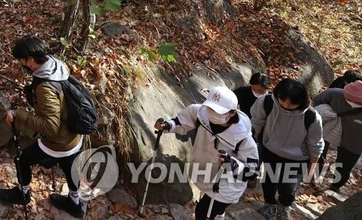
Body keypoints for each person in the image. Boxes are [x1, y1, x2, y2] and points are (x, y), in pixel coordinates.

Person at [0, 35, 85, 219]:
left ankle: (22, 193)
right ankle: (75, 203)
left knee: (22, 160)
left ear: (31, 59)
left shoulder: (44, 87)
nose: (21, 63)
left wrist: (19, 115)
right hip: (75, 135)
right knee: (69, 165)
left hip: (60, 141)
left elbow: (51, 127)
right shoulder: (56, 65)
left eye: (22, 59)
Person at [155, 86, 258, 220]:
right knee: (213, 213)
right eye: (210, 108)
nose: (212, 113)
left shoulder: (242, 137)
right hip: (205, 172)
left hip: (226, 185)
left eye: (217, 111)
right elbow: (182, 121)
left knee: (203, 213)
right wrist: (168, 125)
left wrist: (232, 164)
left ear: (232, 113)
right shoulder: (201, 113)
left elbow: (251, 172)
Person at [251, 78, 324, 220]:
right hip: (270, 151)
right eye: (282, 100)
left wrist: (312, 169)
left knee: (288, 190)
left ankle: (284, 206)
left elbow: (316, 145)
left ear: (302, 101)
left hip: (296, 159)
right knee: (269, 182)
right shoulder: (266, 102)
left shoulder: (312, 117)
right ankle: (270, 204)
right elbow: (256, 125)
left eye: (292, 103)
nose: (285, 105)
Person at [313, 80, 362, 191]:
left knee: (341, 165)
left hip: (348, 139)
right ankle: (329, 183)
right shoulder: (335, 94)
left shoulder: (335, 94)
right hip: (336, 133)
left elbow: (317, 101)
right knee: (320, 154)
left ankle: (331, 184)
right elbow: (318, 102)